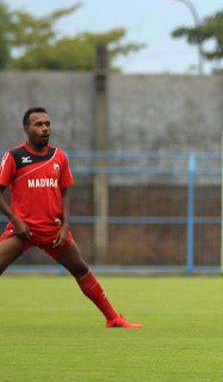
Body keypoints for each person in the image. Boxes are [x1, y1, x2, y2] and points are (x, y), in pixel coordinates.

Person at [0, 107, 141, 329]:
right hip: (23, 231)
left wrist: (65, 225)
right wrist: (15, 220)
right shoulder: (14, 157)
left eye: (47, 123)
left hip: (53, 231)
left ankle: (113, 318)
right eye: (38, 124)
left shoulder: (59, 157)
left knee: (81, 270)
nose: (45, 128)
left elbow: (64, 191)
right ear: (26, 129)